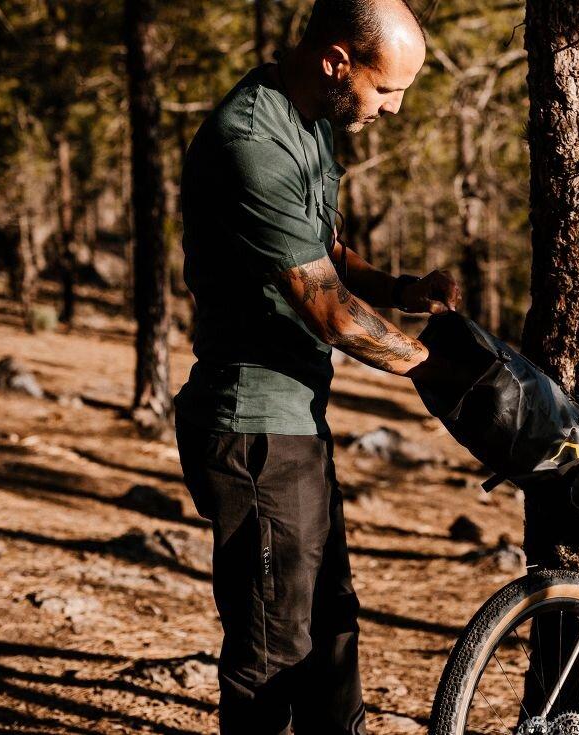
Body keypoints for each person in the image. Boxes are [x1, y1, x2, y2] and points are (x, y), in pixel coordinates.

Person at [173, 1, 458, 732]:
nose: (394, 109)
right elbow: (326, 309)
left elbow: (322, 250)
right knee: (272, 651)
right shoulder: (250, 142)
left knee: (329, 626)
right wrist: (439, 372)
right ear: (336, 61)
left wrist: (400, 291)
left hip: (296, 423)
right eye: (387, 88)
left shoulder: (312, 124)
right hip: (254, 429)